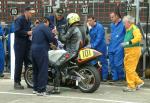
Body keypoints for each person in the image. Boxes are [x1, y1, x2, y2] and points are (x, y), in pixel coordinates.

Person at [53, 13, 84, 93]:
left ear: (71, 20)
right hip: (77, 51)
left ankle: (56, 88)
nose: (67, 21)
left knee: (57, 65)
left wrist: (58, 33)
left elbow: (63, 39)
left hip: (71, 52)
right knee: (69, 67)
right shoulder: (81, 28)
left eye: (68, 20)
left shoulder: (73, 29)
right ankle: (73, 83)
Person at [31, 17, 55, 96]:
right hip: (41, 51)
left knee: (36, 70)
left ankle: (35, 88)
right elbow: (51, 38)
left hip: (33, 50)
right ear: (47, 22)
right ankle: (41, 90)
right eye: (49, 24)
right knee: (43, 70)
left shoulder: (36, 28)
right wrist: (54, 34)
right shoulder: (45, 27)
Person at [14, 6, 35, 89]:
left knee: (28, 63)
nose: (31, 15)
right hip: (19, 45)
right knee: (19, 63)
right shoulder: (20, 19)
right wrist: (27, 32)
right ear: (26, 12)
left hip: (27, 44)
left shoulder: (29, 20)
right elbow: (17, 31)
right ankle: (17, 82)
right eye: (30, 13)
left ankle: (29, 82)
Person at [121, 15, 144, 92]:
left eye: (125, 23)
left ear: (129, 22)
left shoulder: (134, 28)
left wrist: (128, 42)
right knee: (128, 68)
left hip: (133, 50)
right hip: (129, 51)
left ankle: (131, 86)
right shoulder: (129, 29)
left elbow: (138, 38)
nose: (124, 24)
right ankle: (138, 82)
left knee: (130, 69)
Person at [87, 15, 108, 81]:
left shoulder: (99, 27)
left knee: (103, 62)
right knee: (93, 62)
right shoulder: (91, 28)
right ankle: (96, 77)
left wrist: (92, 46)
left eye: (90, 20)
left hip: (101, 47)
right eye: (88, 21)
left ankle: (104, 78)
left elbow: (99, 38)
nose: (89, 22)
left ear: (94, 20)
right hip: (94, 47)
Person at [108, 12, 126, 81]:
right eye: (110, 17)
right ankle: (114, 78)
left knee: (118, 64)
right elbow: (113, 34)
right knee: (112, 64)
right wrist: (110, 37)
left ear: (117, 17)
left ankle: (121, 77)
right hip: (111, 46)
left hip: (119, 47)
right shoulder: (112, 25)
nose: (111, 19)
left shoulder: (123, 24)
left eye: (112, 17)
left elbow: (127, 34)